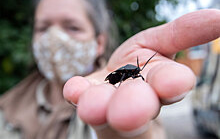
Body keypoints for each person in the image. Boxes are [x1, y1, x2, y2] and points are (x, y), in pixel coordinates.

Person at [63, 9, 220, 139]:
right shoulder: (127, 71)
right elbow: (120, 75)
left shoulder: (135, 73)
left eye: (74, 28)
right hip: (114, 78)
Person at [0, 0, 118, 139]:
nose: (54, 38)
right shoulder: (6, 108)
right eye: (43, 28)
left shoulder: (118, 101)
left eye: (72, 27)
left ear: (99, 43)